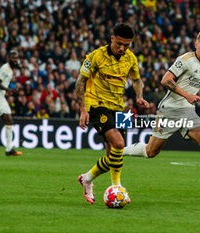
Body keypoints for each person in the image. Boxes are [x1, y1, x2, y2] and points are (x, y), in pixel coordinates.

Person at [123, 31, 200, 200]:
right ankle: (119, 151)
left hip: (188, 111)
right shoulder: (186, 60)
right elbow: (165, 80)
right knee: (151, 151)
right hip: (169, 110)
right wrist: (186, 95)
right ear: (196, 44)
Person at [75, 23, 149, 204]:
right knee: (119, 142)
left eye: (127, 45)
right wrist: (83, 109)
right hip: (97, 105)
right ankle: (117, 187)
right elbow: (80, 83)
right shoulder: (95, 56)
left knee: (116, 153)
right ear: (112, 39)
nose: (122, 48)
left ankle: (87, 178)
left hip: (120, 107)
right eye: (119, 44)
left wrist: (139, 96)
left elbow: (137, 80)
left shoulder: (130, 58)